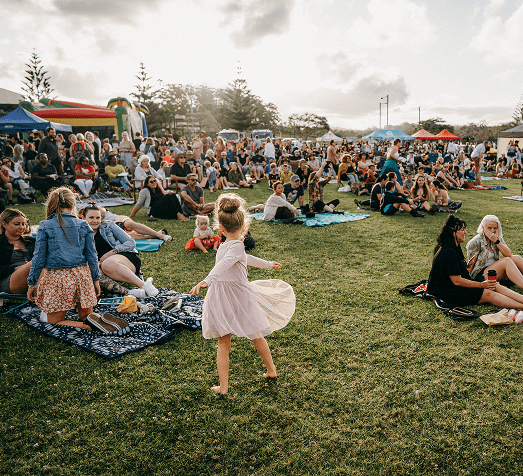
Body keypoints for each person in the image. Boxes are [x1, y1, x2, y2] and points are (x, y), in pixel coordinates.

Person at [190, 193, 294, 394]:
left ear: (220, 227)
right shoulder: (233, 245)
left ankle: (224, 387)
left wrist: (207, 281)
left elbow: (228, 263)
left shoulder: (234, 245)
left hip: (225, 295)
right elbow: (241, 259)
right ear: (245, 224)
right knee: (254, 334)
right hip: (233, 294)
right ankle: (270, 370)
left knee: (224, 341)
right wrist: (268, 264)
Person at [26, 188, 101, 330]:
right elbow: (92, 256)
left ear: (52, 205)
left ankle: (84, 327)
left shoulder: (46, 225)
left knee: (54, 321)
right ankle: (91, 321)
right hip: (82, 276)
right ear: (73, 205)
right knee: (86, 315)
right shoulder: (84, 224)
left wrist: (32, 283)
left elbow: (38, 258)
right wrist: (95, 280)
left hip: (58, 278)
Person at [427, 215, 523, 309]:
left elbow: (458, 272)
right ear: (453, 233)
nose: (465, 232)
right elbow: (457, 281)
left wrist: (469, 267)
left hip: (454, 285)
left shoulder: (454, 247)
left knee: (494, 285)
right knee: (489, 293)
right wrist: (482, 285)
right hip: (447, 291)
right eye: (462, 230)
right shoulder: (448, 252)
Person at [81, 204, 158, 298]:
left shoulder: (108, 225)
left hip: (125, 258)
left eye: (98, 217)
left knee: (107, 263)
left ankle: (144, 285)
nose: (95, 221)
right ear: (83, 218)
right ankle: (129, 292)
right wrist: (98, 263)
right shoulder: (80, 234)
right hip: (102, 266)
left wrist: (111, 253)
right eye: (91, 217)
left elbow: (131, 242)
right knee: (92, 273)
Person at [466, 214, 523, 289]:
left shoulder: (497, 238)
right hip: (481, 274)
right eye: (489, 228)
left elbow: (508, 254)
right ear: (483, 227)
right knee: (507, 261)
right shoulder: (475, 242)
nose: (492, 231)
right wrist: (468, 282)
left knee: (516, 258)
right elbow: (470, 264)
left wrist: (496, 241)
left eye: (495, 228)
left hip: (495, 269)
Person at [0, 209, 35, 294]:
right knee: (36, 262)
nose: (22, 227)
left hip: (32, 274)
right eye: (17, 224)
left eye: (23, 224)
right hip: (9, 280)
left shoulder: (31, 241)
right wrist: (15, 268)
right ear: (4, 224)